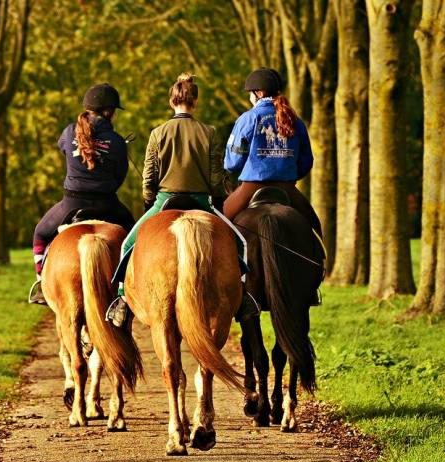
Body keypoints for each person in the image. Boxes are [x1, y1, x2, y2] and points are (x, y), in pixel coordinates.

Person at [105, 73, 258, 326]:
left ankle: (122, 300)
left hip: (165, 200)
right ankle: (241, 299)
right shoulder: (209, 132)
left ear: (171, 102)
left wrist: (148, 201)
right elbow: (216, 175)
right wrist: (218, 200)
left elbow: (149, 176)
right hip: (201, 201)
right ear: (195, 102)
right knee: (240, 243)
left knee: (127, 246)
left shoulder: (158, 133)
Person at [28, 83, 135, 305]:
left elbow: (63, 148)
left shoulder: (69, 132)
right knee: (136, 237)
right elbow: (120, 176)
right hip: (108, 204)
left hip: (71, 203)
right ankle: (129, 288)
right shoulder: (116, 142)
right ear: (109, 112)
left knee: (40, 233)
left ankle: (41, 283)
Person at [223, 67, 322, 236]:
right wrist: (287, 173)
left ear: (259, 93)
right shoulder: (295, 121)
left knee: (219, 225)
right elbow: (306, 161)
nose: (249, 97)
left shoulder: (248, 118)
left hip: (251, 188)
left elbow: (232, 162)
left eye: (250, 93)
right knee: (315, 229)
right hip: (287, 188)